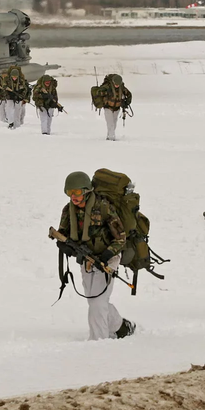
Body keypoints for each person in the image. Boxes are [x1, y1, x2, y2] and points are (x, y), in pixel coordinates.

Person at [55, 172, 135, 340]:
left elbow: (120, 238)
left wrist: (107, 254)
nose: (73, 197)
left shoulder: (104, 207)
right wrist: (63, 245)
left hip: (108, 257)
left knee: (97, 303)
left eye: (77, 192)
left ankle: (98, 342)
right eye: (70, 193)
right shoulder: (68, 210)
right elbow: (62, 232)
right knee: (95, 301)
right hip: (87, 260)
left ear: (86, 191)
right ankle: (122, 327)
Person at [94, 74, 132, 141]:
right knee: (110, 123)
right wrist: (105, 92)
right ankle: (112, 138)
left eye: (118, 84)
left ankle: (109, 136)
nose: (117, 85)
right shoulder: (107, 86)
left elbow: (129, 94)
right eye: (116, 84)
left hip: (117, 108)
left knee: (114, 123)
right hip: (108, 107)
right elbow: (99, 92)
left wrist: (126, 103)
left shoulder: (122, 88)